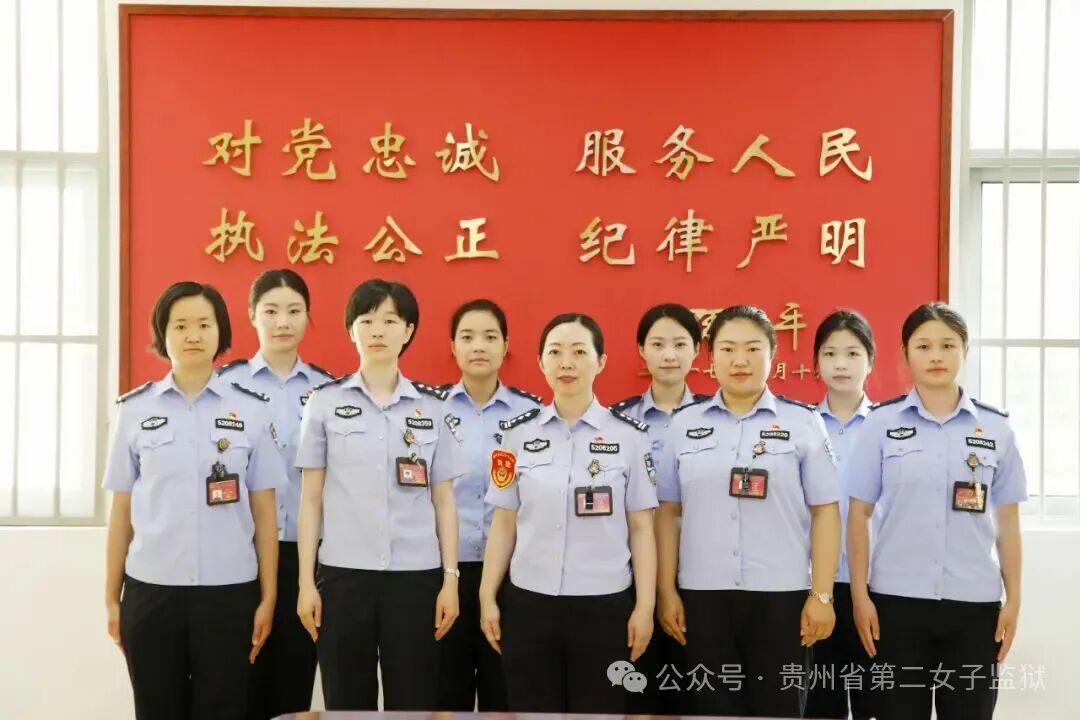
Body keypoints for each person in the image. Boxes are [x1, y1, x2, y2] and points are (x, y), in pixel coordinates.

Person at [103, 281, 285, 720]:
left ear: (221, 332)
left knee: (224, 709)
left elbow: (264, 511)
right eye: (180, 325)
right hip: (151, 590)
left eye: (204, 324)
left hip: (229, 593)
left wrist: (268, 597)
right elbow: (122, 510)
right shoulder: (134, 410)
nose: (192, 335)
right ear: (162, 334)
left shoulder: (251, 409)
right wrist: (111, 598)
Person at [655, 304, 841, 718]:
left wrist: (822, 595)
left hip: (782, 599)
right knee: (711, 707)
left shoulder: (803, 423)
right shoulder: (683, 425)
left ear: (772, 355)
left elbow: (826, 512)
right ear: (710, 357)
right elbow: (668, 513)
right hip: (703, 596)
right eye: (727, 349)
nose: (740, 360)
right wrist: (666, 591)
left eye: (753, 348)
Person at [846, 302, 1026, 720]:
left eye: (948, 345)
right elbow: (859, 515)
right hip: (896, 604)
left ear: (965, 351)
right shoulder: (881, 424)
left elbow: (1008, 521)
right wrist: (860, 597)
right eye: (924, 346)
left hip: (974, 605)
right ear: (906, 353)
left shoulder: (996, 428)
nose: (936, 356)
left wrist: (1014, 600)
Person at [294, 279, 465, 711]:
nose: (377, 331)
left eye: (390, 321)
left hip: (415, 578)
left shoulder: (434, 407)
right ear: (351, 330)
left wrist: (450, 579)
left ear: (408, 331)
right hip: (343, 577)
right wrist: (305, 583)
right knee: (347, 703)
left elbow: (444, 500)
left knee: (414, 701)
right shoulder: (324, 403)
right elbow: (310, 499)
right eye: (367, 320)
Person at [479, 313, 658, 714]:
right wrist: (487, 595)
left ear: (601, 362)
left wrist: (645, 607)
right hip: (529, 603)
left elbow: (641, 528)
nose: (567, 363)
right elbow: (504, 521)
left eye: (579, 352)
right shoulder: (516, 434)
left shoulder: (629, 436)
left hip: (604, 606)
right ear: (540, 362)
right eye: (555, 352)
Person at [217, 270, 333, 719]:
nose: (283, 321)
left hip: (305, 556)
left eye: (294, 311)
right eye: (271, 311)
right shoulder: (225, 386)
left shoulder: (328, 391)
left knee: (294, 678)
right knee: (236, 676)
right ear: (251, 315)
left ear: (307, 316)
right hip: (240, 552)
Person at [436, 299, 542, 711]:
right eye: (467, 337)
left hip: (512, 575)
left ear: (505, 346)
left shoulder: (533, 415)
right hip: (447, 572)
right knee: (447, 691)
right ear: (453, 347)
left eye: (489, 337)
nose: (478, 346)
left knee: (506, 693)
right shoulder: (431, 410)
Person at [610, 302, 708, 714]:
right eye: (658, 344)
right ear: (642, 351)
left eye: (680, 344)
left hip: (700, 573)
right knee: (637, 693)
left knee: (697, 692)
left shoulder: (714, 417)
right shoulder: (618, 422)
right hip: (632, 574)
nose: (669, 354)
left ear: (697, 350)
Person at [805, 310, 877, 720]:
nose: (841, 364)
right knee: (820, 703)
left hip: (876, 586)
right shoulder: (801, 426)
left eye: (852, 353)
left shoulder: (887, 426)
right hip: (816, 585)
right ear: (816, 363)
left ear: (870, 361)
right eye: (830, 353)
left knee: (875, 699)